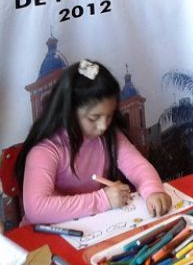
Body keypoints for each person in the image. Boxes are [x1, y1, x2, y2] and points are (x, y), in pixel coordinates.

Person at [15, 60, 171, 225]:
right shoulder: (45, 150)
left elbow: (137, 166)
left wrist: (153, 190)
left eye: (109, 116)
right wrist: (102, 200)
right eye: (93, 118)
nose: (103, 126)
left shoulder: (110, 136)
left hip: (92, 227)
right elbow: (37, 209)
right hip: (46, 232)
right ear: (68, 112)